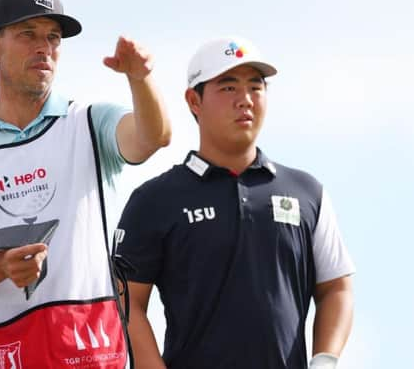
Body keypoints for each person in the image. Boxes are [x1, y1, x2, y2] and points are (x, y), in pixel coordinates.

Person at [0, 0, 171, 369]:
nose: (44, 47)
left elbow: (153, 137)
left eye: (53, 37)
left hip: (91, 351)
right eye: (27, 34)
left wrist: (141, 80)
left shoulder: (89, 121)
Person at [114, 37, 355, 369]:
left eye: (255, 88)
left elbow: (336, 288)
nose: (245, 100)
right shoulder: (155, 199)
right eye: (228, 88)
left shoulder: (306, 192)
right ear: (193, 101)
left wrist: (324, 361)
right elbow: (126, 302)